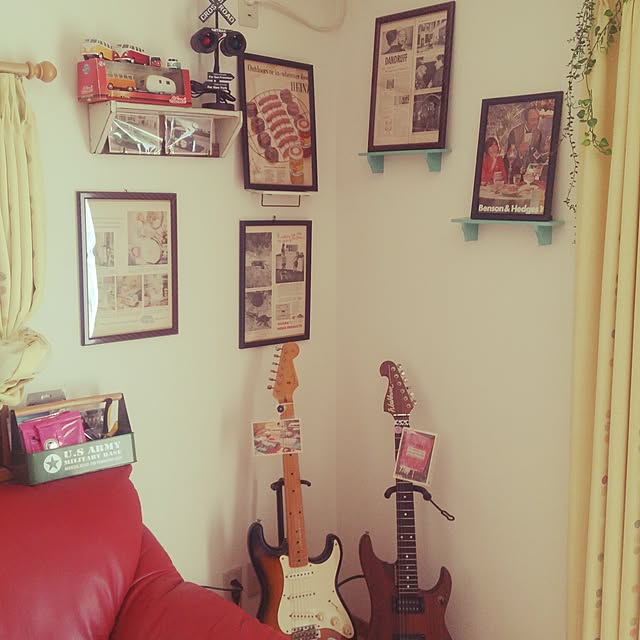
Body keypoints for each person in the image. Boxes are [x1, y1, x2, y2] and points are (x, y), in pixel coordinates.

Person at [505, 106, 543, 174]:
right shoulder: (514, 132)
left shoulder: (538, 133)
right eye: (533, 120)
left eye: (537, 119)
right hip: (516, 169)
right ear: (526, 120)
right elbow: (509, 156)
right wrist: (519, 152)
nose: (536, 122)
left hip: (531, 170)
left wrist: (541, 162)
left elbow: (536, 152)